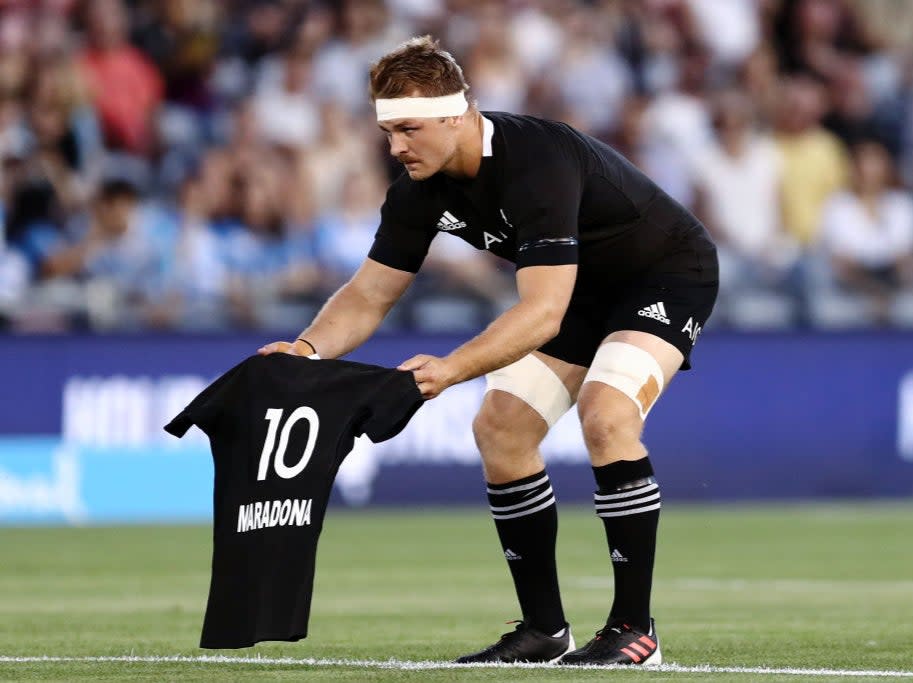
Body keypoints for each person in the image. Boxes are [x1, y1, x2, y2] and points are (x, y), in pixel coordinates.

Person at [258, 35, 718, 666]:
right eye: (388, 131)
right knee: (500, 428)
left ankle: (635, 630)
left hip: (663, 273)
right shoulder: (418, 189)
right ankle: (544, 630)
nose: (395, 147)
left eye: (409, 129)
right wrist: (306, 350)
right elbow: (367, 296)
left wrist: (449, 369)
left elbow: (543, 312)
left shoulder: (537, 159)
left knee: (607, 415)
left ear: (457, 113)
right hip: (579, 290)